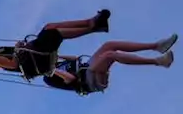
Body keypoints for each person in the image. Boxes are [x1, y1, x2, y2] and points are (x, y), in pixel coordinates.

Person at [0, 10, 110, 78]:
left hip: (35, 54)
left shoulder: (1, 49)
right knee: (54, 32)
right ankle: (92, 26)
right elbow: (13, 64)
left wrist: (21, 46)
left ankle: (92, 24)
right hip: (37, 62)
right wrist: (18, 49)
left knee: (50, 28)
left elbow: (19, 53)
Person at [43, 34, 175, 94]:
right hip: (88, 81)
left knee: (110, 45)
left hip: (88, 68)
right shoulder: (48, 76)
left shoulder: (56, 63)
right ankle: (158, 61)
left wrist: (58, 56)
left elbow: (75, 59)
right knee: (110, 55)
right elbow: (71, 79)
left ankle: (156, 46)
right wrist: (52, 69)